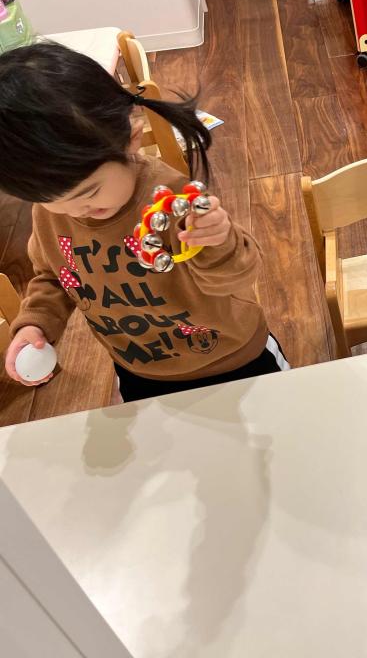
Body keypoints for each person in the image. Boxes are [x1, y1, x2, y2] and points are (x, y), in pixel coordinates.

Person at [0, 43, 288, 402]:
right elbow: (54, 276)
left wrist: (218, 240)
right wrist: (36, 322)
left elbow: (235, 277)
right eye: (55, 202)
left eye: (90, 192)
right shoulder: (52, 212)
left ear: (132, 139)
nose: (77, 211)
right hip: (138, 369)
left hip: (232, 358)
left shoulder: (170, 198)